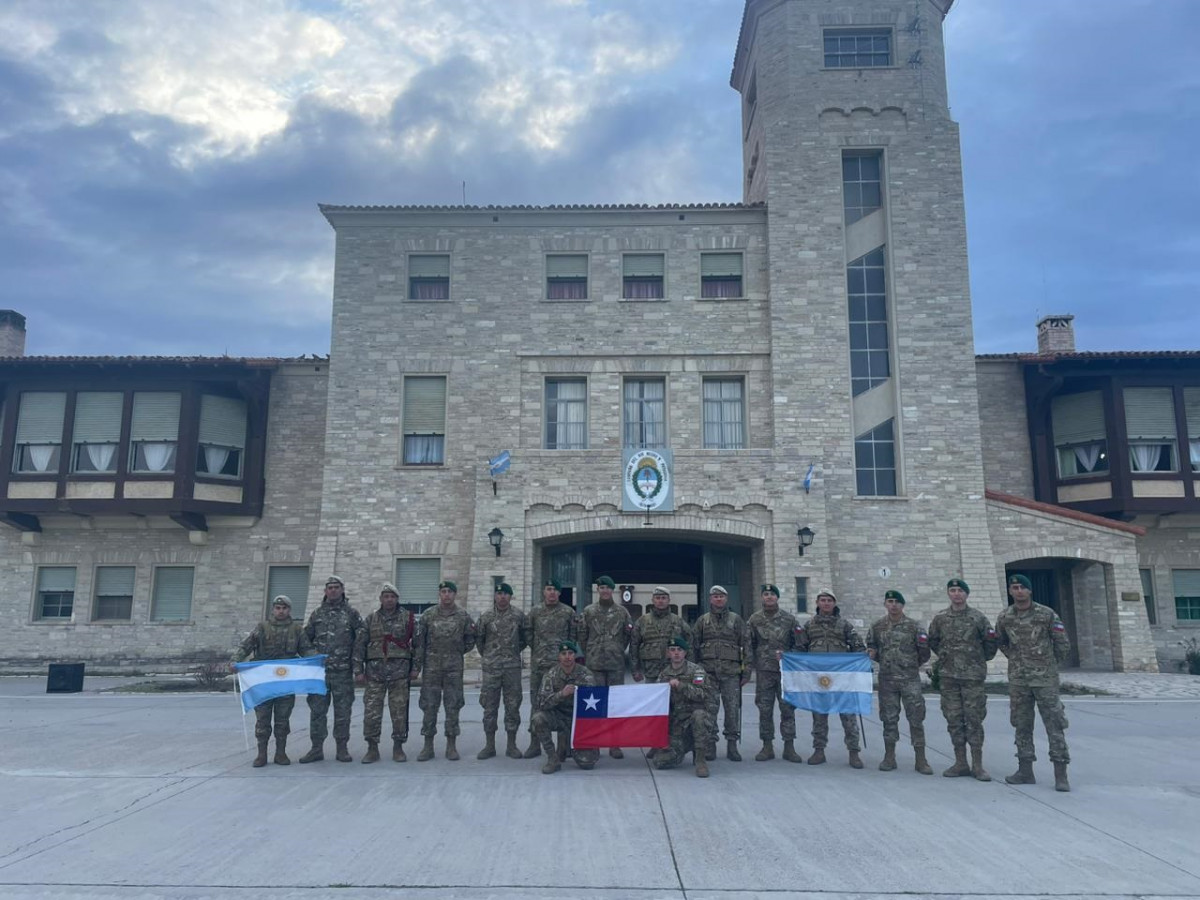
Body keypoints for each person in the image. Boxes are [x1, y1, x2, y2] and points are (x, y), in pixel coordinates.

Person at [996, 573, 1073, 791]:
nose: (1018, 591)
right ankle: (1025, 770)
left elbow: (1062, 644)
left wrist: (1047, 664)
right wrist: (1017, 660)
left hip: (1045, 680)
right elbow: (1001, 642)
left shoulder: (1046, 614)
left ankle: (1061, 773)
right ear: (1010, 591)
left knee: (1055, 725)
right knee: (1021, 725)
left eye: (1022, 587)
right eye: (1014, 587)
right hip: (1019, 680)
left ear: (1030, 591)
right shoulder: (1005, 617)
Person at [927, 577, 998, 781]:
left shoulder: (978, 618)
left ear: (966, 594)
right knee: (954, 720)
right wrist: (949, 658)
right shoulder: (940, 619)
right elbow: (934, 641)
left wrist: (974, 660)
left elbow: (990, 644)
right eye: (952, 590)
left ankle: (977, 765)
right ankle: (960, 763)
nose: (956, 594)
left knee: (974, 720)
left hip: (972, 678)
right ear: (948, 594)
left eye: (960, 590)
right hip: (949, 678)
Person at [233, 595, 313, 767]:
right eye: (277, 608)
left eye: (284, 608)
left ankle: (280, 753)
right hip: (264, 683)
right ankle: (261, 754)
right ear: (273, 610)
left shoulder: (297, 630)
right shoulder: (262, 628)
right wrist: (235, 661)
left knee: (282, 720)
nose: (281, 611)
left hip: (285, 682)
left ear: (289, 610)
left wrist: (318, 660)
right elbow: (246, 646)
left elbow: (307, 650)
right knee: (262, 719)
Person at [795, 590, 866, 768]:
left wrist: (861, 663)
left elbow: (858, 646)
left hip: (842, 679)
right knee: (819, 715)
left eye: (829, 601)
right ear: (817, 603)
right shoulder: (809, 626)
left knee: (848, 715)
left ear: (834, 603)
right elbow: (800, 649)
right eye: (822, 600)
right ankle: (819, 751)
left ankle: (853, 752)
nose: (826, 603)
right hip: (819, 679)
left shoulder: (844, 625)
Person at [866, 589, 932, 774]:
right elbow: (872, 647)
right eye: (890, 601)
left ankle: (921, 759)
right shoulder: (877, 626)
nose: (893, 605)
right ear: (885, 604)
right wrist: (883, 659)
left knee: (916, 718)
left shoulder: (914, 626)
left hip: (910, 679)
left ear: (903, 605)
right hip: (887, 680)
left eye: (897, 602)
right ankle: (889, 757)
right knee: (888, 718)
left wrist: (909, 665)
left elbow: (924, 651)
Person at [300, 575, 364, 763]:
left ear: (342, 590)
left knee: (343, 712)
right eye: (330, 587)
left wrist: (358, 667)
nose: (333, 590)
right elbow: (305, 640)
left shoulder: (352, 614)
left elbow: (360, 641)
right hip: (320, 674)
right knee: (317, 712)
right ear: (325, 591)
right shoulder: (317, 614)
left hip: (343, 673)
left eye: (336, 587)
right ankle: (316, 749)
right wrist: (313, 655)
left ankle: (342, 749)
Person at [353, 582, 416, 763]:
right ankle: (372, 748)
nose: (389, 600)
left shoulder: (407, 618)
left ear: (397, 599)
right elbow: (359, 645)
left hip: (399, 673)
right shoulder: (371, 619)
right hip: (375, 674)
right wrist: (358, 670)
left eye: (392, 597)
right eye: (386, 596)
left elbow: (418, 644)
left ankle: (398, 747)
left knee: (399, 712)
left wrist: (416, 667)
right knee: (372, 712)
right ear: (381, 599)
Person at [414, 580, 475, 761]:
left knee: (453, 705)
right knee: (429, 705)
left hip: (453, 668)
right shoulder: (428, 615)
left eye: (450, 591)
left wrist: (455, 652)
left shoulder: (463, 616)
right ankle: (428, 746)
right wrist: (417, 666)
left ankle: (451, 745)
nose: (446, 594)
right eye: (443, 591)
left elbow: (470, 640)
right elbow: (419, 642)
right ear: (439, 594)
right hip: (432, 667)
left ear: (455, 594)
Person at [691, 584, 750, 761]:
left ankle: (732, 745)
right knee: (710, 710)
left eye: (721, 596)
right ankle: (711, 744)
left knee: (732, 710)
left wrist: (746, 670)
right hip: (708, 673)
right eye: (715, 596)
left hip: (731, 674)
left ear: (726, 599)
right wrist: (695, 671)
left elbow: (746, 645)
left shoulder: (736, 620)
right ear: (710, 599)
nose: (718, 599)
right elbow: (694, 647)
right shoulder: (702, 621)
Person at [747, 583, 804, 762]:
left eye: (772, 594)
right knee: (765, 710)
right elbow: (749, 645)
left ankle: (789, 747)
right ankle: (767, 746)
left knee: (787, 709)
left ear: (777, 598)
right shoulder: (754, 620)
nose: (769, 597)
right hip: (764, 672)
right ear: (762, 597)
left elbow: (800, 644)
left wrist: (789, 656)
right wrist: (748, 668)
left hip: (784, 673)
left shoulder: (789, 620)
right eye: (766, 594)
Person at [523, 579, 580, 758]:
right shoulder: (535, 612)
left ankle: (564, 747)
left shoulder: (568, 612)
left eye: (555, 589)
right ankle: (534, 744)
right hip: (539, 666)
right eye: (548, 589)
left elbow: (573, 637)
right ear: (543, 592)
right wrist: (541, 651)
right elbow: (528, 635)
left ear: (559, 592)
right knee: (537, 704)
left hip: (561, 668)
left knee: (563, 704)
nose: (552, 593)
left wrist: (564, 658)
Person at [580, 575, 633, 759]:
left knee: (615, 706)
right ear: (598, 590)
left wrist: (617, 649)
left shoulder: (622, 612)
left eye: (608, 588)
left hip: (615, 665)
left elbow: (628, 635)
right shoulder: (588, 611)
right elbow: (582, 635)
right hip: (594, 665)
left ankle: (614, 744)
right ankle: (595, 744)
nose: (604, 591)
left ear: (613, 590)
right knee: (595, 706)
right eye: (601, 587)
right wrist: (591, 651)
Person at [475, 582, 529, 759]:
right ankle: (489, 745)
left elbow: (524, 639)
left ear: (511, 596)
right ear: (495, 596)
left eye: (506, 594)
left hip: (512, 668)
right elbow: (480, 640)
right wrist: (491, 656)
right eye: (499, 594)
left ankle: (511, 745)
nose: (502, 596)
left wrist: (511, 653)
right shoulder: (486, 616)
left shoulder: (518, 616)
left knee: (512, 706)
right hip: (491, 669)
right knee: (490, 707)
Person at [531, 641, 600, 774]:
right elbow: (542, 703)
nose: (567, 657)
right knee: (538, 718)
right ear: (559, 657)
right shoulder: (551, 675)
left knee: (588, 764)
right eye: (563, 654)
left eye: (570, 653)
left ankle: (570, 747)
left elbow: (595, 701)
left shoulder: (585, 674)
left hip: (580, 720)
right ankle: (553, 758)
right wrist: (561, 694)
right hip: (559, 717)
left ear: (575, 656)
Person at [651, 636, 713, 778]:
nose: (676, 653)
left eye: (680, 650)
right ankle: (683, 747)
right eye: (672, 650)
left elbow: (703, 694)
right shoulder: (664, 674)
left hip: (693, 721)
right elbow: (656, 702)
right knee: (660, 762)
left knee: (699, 715)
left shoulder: (696, 671)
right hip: (677, 725)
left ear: (685, 653)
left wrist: (681, 686)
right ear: (668, 653)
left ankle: (700, 759)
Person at [630, 586, 692, 685]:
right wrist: (635, 670)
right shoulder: (643, 621)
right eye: (657, 598)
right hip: (651, 671)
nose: (660, 601)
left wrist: (689, 667)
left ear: (669, 600)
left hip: (673, 670)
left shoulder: (678, 621)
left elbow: (690, 643)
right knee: (652, 698)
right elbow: (634, 646)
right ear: (653, 600)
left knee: (674, 698)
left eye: (663, 598)